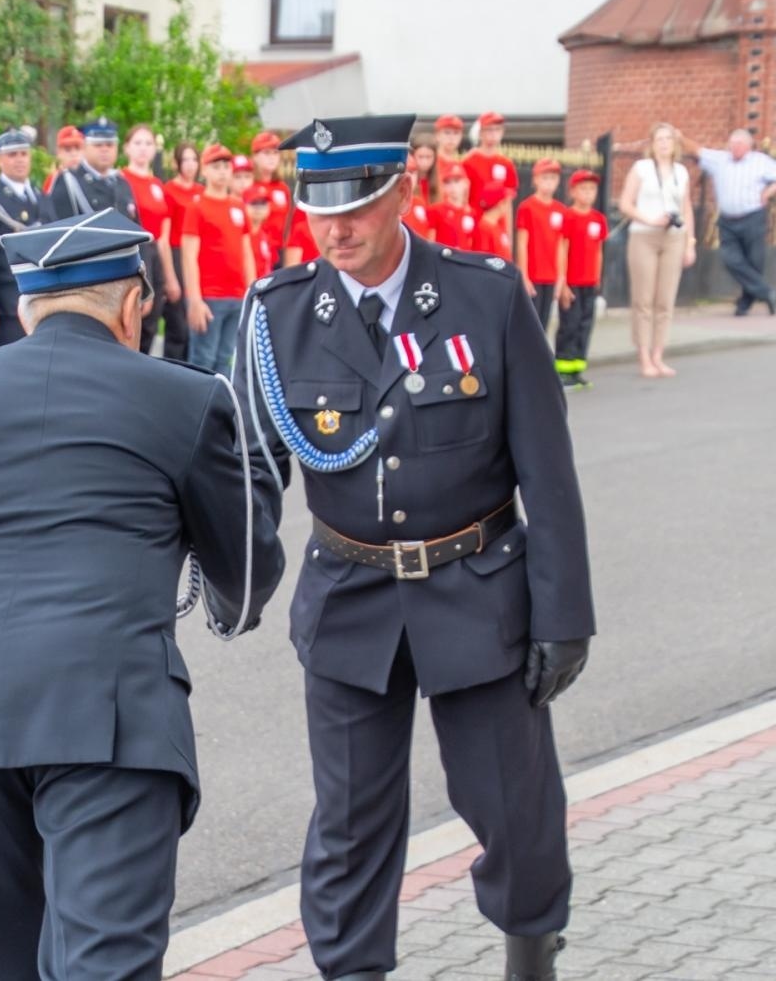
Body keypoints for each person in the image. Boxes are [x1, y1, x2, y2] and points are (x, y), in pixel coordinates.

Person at [0, 208, 284, 981]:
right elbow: (247, 572)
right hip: (109, 717)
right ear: (132, 304)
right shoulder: (183, 397)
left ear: (26, 308)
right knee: (103, 966)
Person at [237, 114, 594, 981]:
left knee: (513, 807)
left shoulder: (486, 296)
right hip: (351, 598)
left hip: (476, 589)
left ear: (403, 190)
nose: (336, 228)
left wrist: (564, 614)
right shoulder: (280, 314)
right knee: (351, 820)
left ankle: (530, 953)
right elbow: (250, 466)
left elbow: (546, 469)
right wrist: (226, 572)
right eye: (318, 209)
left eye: (355, 205)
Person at [679, 127, 776, 316]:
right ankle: (766, 292)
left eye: (740, 144)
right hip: (728, 220)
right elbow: (697, 150)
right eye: (733, 144)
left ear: (749, 146)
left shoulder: (760, 162)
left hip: (752, 217)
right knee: (731, 259)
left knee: (754, 261)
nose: (736, 148)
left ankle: (745, 303)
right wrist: (680, 137)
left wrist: (769, 191)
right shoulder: (720, 160)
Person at [619, 124, 695, 378]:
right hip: (644, 235)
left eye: (668, 139)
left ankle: (658, 355)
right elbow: (625, 204)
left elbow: (686, 208)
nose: (664, 143)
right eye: (659, 139)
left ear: (675, 144)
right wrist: (649, 219)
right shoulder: (641, 169)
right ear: (652, 144)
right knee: (644, 300)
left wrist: (690, 242)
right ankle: (643, 356)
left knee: (665, 299)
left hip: (673, 237)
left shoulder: (681, 172)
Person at [181, 144, 253, 374]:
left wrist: (251, 290)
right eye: (216, 166)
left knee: (226, 359)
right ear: (204, 170)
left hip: (237, 295)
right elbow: (188, 256)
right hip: (210, 298)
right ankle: (196, 409)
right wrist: (194, 299)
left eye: (226, 166)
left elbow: (246, 251)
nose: (223, 171)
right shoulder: (197, 206)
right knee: (203, 360)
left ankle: (221, 409)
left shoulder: (239, 206)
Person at [0, 127, 42, 347]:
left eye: (24, 154)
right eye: (12, 155)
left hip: (41, 301)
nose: (19, 160)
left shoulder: (40, 196)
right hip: (7, 305)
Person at [122, 124, 182, 354]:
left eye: (148, 143)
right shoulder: (122, 180)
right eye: (137, 143)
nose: (143, 149)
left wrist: (170, 277)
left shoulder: (157, 185)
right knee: (133, 322)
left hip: (155, 256)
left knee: (151, 324)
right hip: (135, 254)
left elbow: (164, 237)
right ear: (127, 148)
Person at [555, 170, 607, 389]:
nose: (588, 193)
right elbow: (562, 249)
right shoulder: (568, 216)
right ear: (573, 191)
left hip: (589, 282)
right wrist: (563, 281)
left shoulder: (598, 219)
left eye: (592, 189)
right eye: (583, 189)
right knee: (570, 324)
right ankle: (562, 370)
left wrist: (597, 277)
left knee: (585, 325)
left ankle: (577, 369)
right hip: (573, 282)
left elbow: (598, 251)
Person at [160, 142, 201, 360]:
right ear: (177, 163)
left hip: (196, 257)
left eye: (194, 159)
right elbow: (164, 237)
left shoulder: (201, 191)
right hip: (176, 254)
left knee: (195, 326)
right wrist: (171, 277)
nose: (190, 165)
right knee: (178, 327)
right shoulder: (169, 191)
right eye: (185, 160)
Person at [516, 158, 567, 329]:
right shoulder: (527, 207)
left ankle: (541, 356)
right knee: (531, 322)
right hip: (534, 275)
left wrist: (561, 276)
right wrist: (524, 275)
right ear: (535, 180)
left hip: (551, 276)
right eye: (544, 178)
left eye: (553, 178)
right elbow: (522, 242)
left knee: (545, 322)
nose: (549, 183)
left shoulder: (560, 210)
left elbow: (561, 245)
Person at [461, 111, 518, 242]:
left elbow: (508, 202)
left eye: (497, 130)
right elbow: (464, 198)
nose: (493, 134)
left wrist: (508, 236)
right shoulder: (468, 161)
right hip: (477, 225)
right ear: (480, 132)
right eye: (489, 130)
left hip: (498, 227)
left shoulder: (506, 163)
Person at [250, 130, 293, 251]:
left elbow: (288, 223)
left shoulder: (282, 188)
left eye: (275, 153)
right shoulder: (249, 186)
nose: (272, 158)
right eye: (267, 153)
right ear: (255, 156)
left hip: (279, 251)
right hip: (256, 249)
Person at [427, 162, 480, 248]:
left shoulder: (472, 213)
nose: (453, 187)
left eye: (457, 181)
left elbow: (473, 245)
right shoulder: (435, 210)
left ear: (466, 184)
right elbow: (429, 243)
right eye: (447, 182)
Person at [472, 184, 514, 263]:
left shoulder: (496, 225)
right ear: (500, 204)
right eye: (506, 201)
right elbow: (484, 260)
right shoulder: (484, 228)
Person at [244, 183, 276, 278]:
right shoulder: (243, 236)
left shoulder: (265, 233)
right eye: (254, 203)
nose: (259, 208)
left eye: (263, 203)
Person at [402, 150, 434, 238]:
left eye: (412, 173)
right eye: (405, 172)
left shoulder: (420, 202)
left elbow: (429, 232)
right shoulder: (392, 205)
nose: (409, 177)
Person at [43, 125, 83, 195]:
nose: (74, 154)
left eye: (77, 148)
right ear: (58, 153)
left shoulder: (94, 177)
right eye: (68, 150)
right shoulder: (53, 181)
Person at [410, 140, 439, 204]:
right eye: (420, 157)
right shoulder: (410, 180)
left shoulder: (439, 179)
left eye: (428, 157)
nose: (424, 162)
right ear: (413, 156)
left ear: (435, 158)